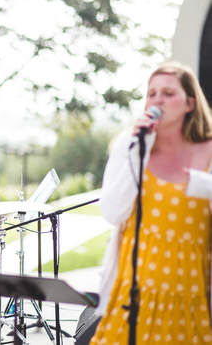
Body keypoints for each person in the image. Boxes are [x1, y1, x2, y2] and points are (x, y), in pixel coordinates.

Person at [90, 61, 212, 344]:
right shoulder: (130, 144)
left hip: (193, 294)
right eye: (152, 93)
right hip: (135, 292)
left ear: (190, 103)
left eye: (168, 93)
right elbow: (112, 212)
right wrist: (138, 151)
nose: (158, 99)